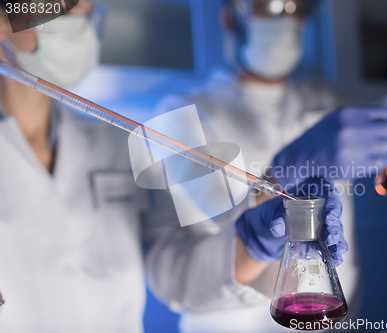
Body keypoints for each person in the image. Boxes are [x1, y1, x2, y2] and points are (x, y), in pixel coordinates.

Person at [0, 1, 347, 332]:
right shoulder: (177, 112)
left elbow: (178, 269)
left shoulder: (116, 143)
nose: (81, 9)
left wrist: (252, 241)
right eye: (59, 2)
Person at [154, 0, 387, 332]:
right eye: (269, 5)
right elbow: (197, 259)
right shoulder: (177, 116)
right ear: (228, 17)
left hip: (333, 321)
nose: (286, 17)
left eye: (297, 7)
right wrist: (283, 173)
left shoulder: (326, 101)